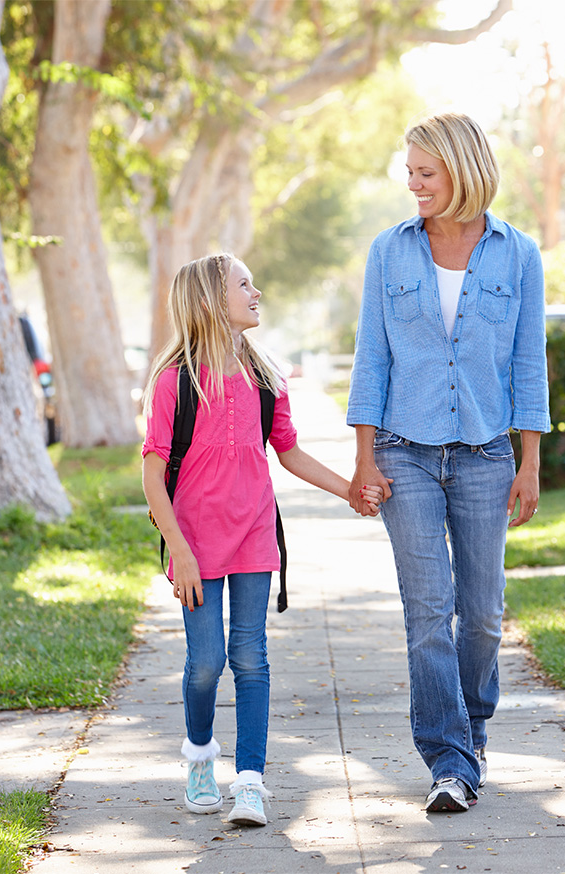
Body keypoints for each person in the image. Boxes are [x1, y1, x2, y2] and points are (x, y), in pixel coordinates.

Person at [346, 113, 551, 813]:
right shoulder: (389, 251)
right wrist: (363, 460)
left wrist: (530, 462)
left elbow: (529, 363)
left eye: (425, 173)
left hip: (489, 455)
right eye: (409, 173)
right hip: (404, 452)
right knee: (428, 613)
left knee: (485, 614)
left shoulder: (518, 254)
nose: (413, 185)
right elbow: (371, 359)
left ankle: (471, 733)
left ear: (463, 171)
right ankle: (448, 759)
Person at [142, 253, 382, 826]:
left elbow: (289, 451)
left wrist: (348, 488)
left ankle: (250, 780)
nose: (256, 291)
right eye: (243, 284)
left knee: (250, 657)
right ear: (209, 302)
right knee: (206, 662)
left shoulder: (265, 376)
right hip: (194, 545)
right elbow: (153, 475)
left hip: (253, 535)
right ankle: (200, 754)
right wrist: (178, 549)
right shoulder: (175, 381)